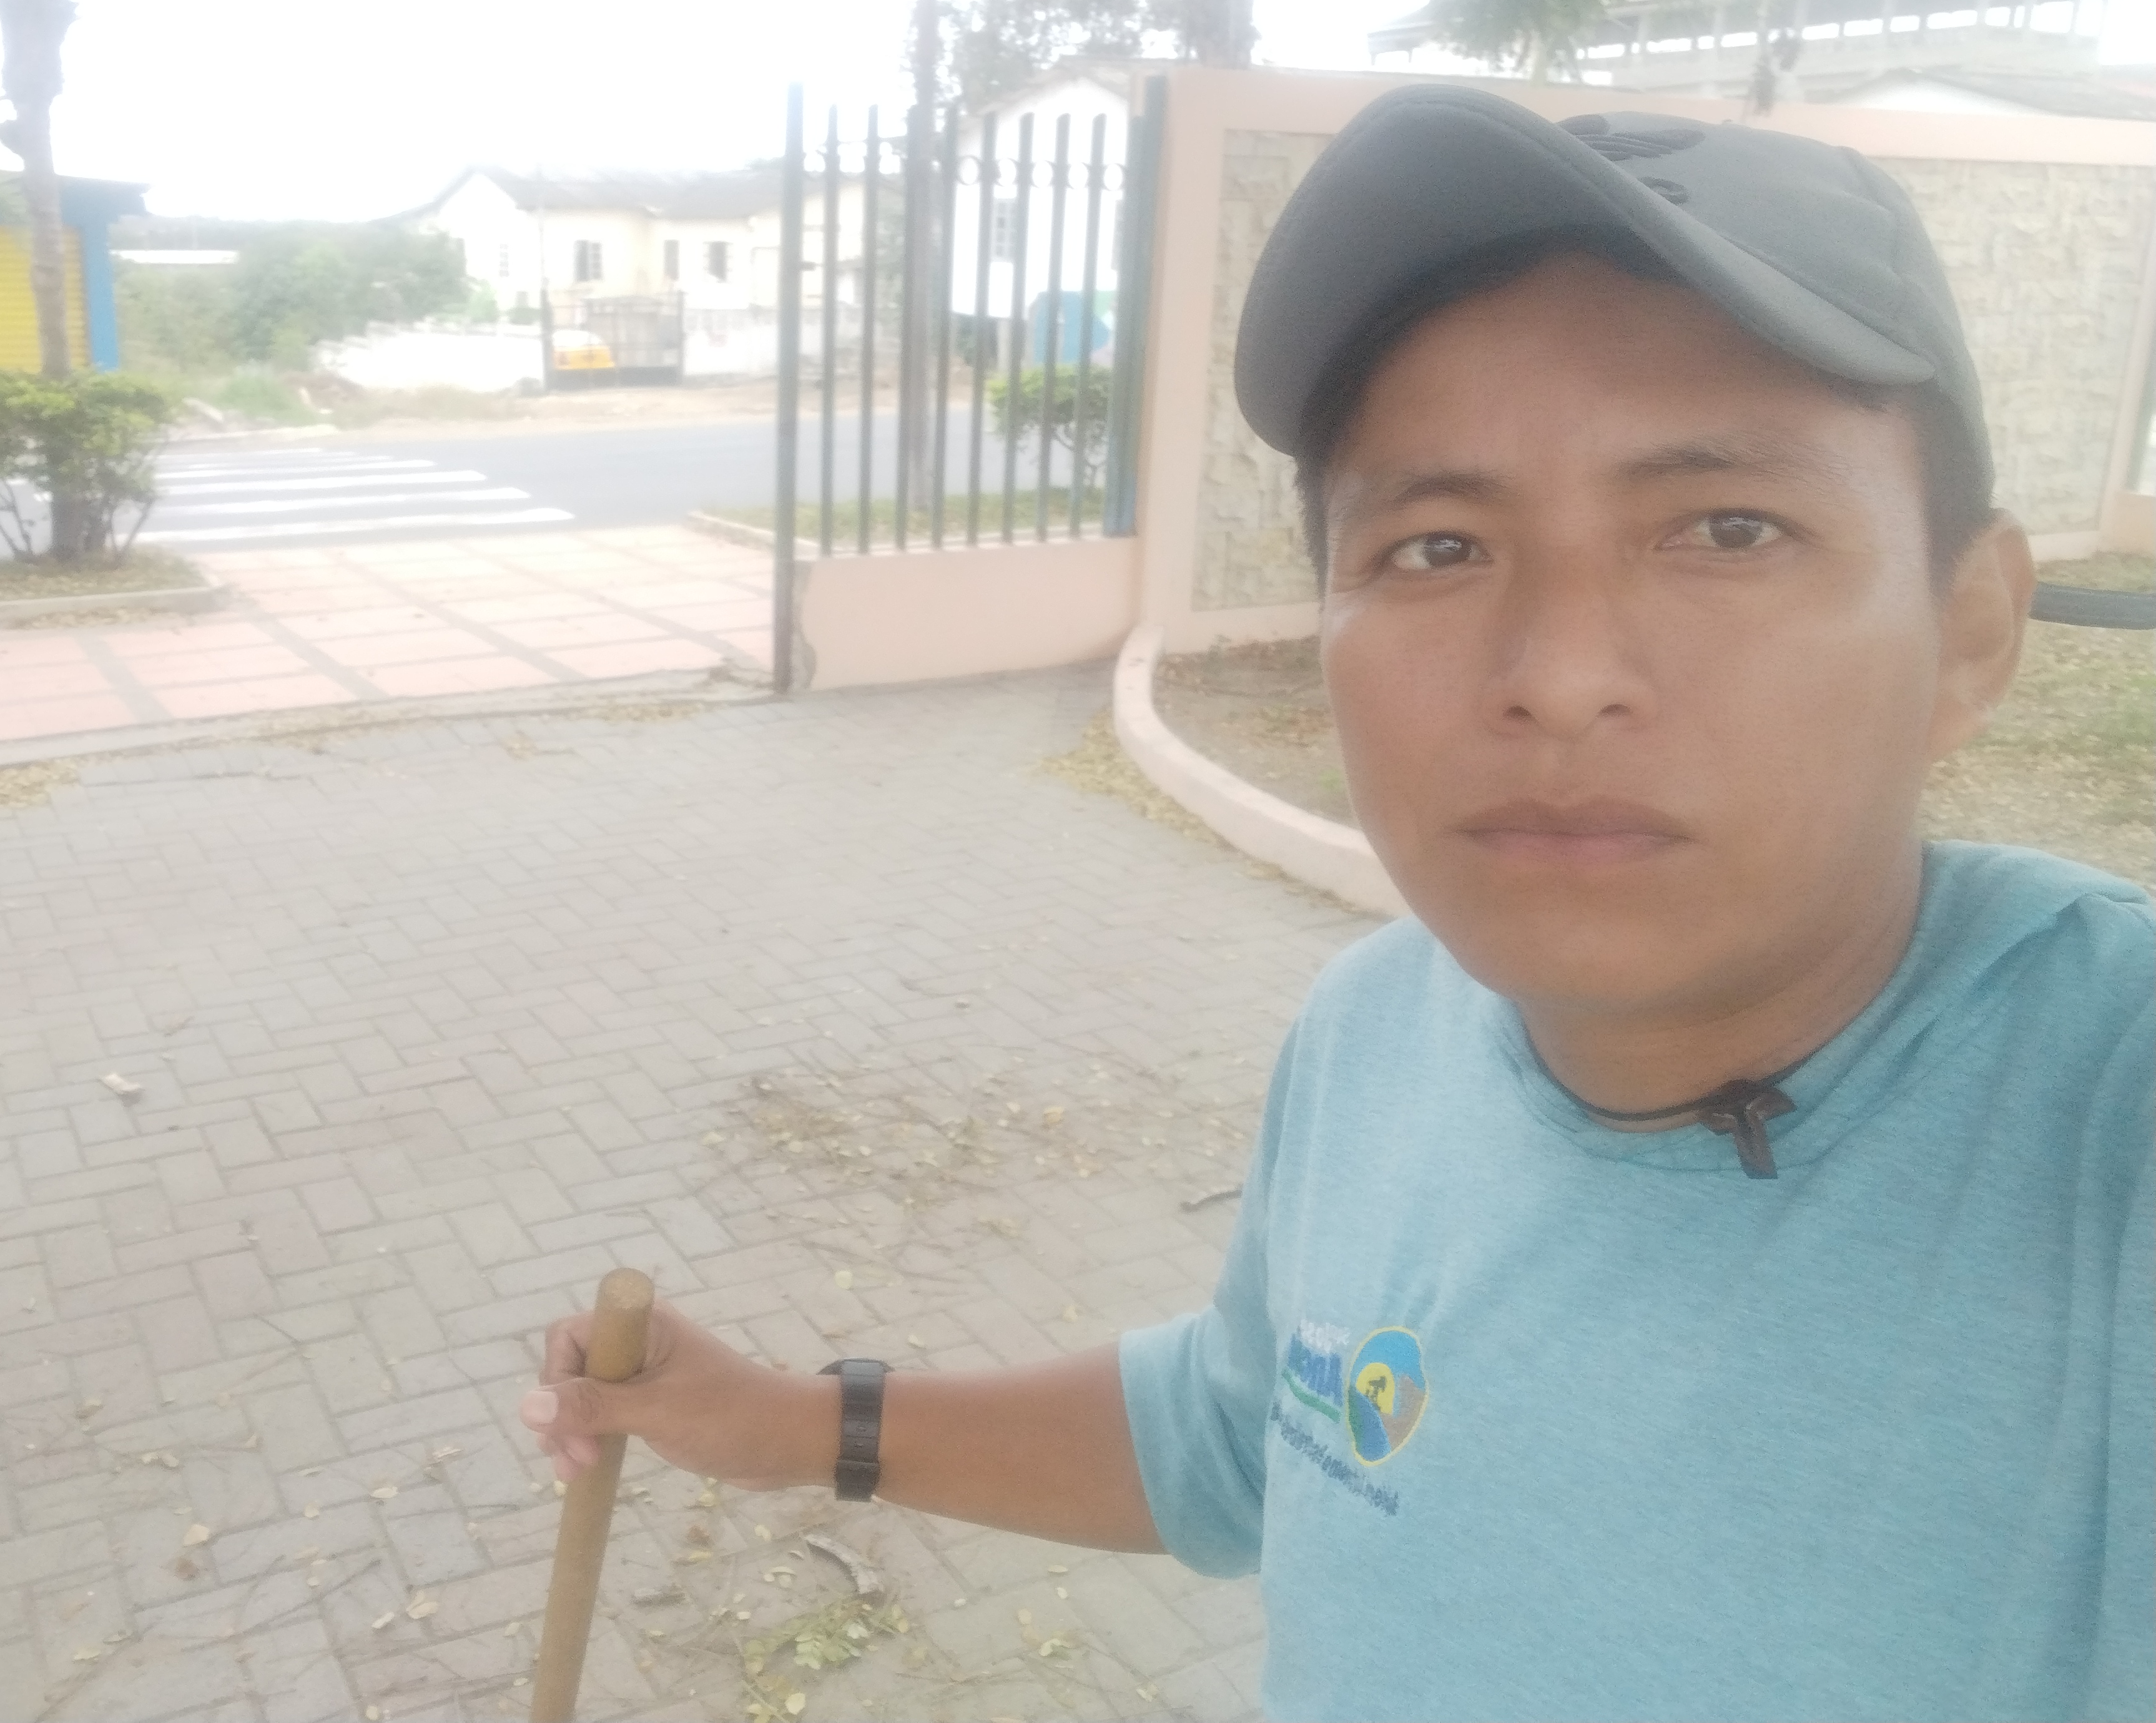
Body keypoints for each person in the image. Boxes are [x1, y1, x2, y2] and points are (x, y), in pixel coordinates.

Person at [517, 84, 2154, 1722]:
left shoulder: (2102, 1123)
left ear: (1970, 630)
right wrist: (795, 1425)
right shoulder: (1379, 1027)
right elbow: (1255, 1432)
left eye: (1728, 529)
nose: (1559, 673)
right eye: (1438, 548)